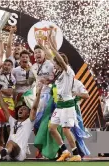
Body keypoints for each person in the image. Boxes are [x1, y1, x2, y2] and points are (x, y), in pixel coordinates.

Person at [46, 28, 82, 161]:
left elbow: (56, 56)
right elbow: (52, 56)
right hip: (60, 105)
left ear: (62, 62)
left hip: (67, 104)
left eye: (56, 63)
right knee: (51, 128)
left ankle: (76, 154)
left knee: (66, 130)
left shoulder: (68, 71)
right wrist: (48, 44)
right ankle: (64, 151)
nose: (53, 64)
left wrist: (52, 44)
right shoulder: (60, 72)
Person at [0, 59, 15, 146]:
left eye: (9, 65)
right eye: (5, 64)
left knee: (9, 129)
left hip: (9, 104)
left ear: (12, 67)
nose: (6, 66)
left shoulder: (12, 78)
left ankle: (9, 150)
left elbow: (9, 92)